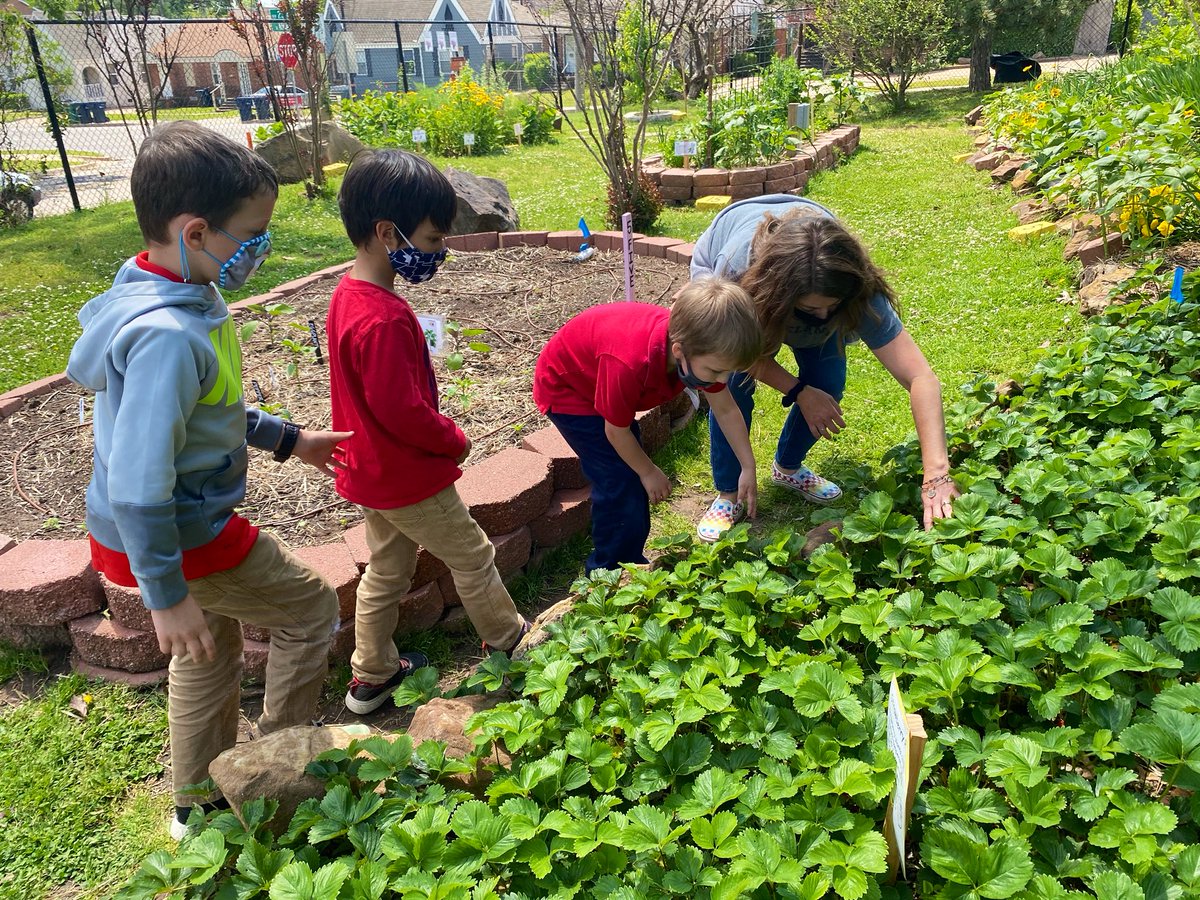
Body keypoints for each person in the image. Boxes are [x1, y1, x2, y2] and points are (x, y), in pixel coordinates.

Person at [66, 121, 346, 841]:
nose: (259, 251)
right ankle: (277, 760)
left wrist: (289, 439)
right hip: (175, 531)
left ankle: (195, 802)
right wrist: (165, 598)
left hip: (161, 530)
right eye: (251, 236)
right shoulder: (168, 333)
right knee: (310, 607)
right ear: (195, 232)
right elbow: (137, 483)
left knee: (208, 649)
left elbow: (210, 408)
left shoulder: (162, 287)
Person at [327, 149, 528, 716]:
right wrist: (452, 438)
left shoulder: (347, 295)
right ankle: (510, 641)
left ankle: (372, 675)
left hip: (368, 471)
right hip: (408, 476)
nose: (438, 252)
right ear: (388, 233)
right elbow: (403, 413)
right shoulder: (385, 318)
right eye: (434, 240)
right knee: (472, 554)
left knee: (387, 571)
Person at [691, 194, 959, 539]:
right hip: (734, 284)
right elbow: (737, 358)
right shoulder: (737, 274)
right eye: (809, 309)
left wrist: (936, 473)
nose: (822, 318)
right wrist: (798, 391)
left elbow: (921, 376)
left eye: (832, 308)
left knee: (828, 382)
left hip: (796, 288)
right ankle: (729, 491)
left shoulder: (848, 283)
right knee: (731, 384)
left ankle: (787, 466)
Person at [533, 277, 763, 571]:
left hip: (601, 378)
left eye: (727, 372)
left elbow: (727, 410)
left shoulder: (700, 351)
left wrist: (747, 466)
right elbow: (615, 431)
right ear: (679, 351)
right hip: (570, 389)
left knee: (628, 469)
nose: (721, 381)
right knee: (620, 480)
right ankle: (608, 572)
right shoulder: (632, 363)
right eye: (717, 371)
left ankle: (627, 561)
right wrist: (648, 470)